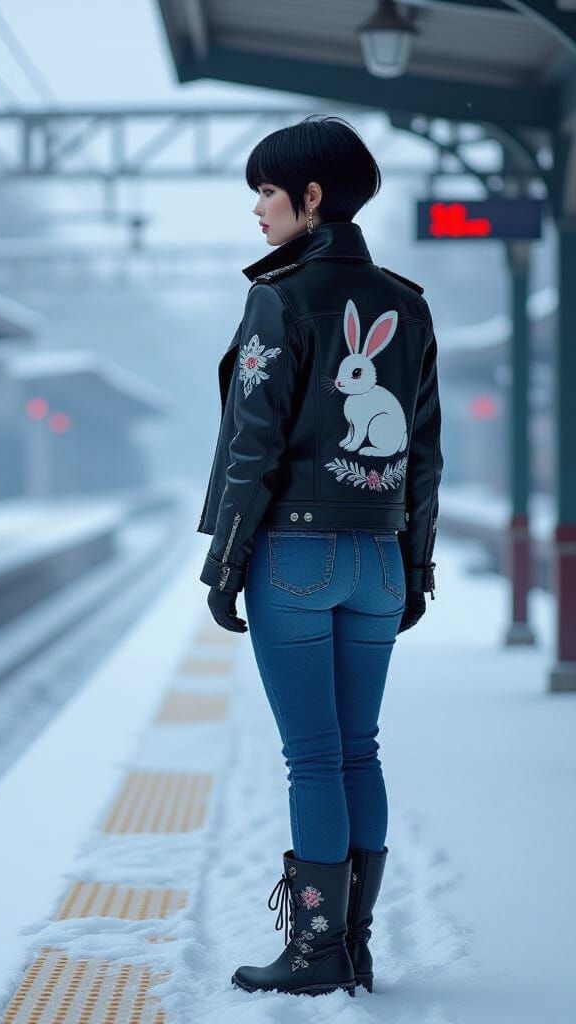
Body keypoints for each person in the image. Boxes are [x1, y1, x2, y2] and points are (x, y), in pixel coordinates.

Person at [197, 115, 444, 998]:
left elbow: (252, 445)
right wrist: (415, 567)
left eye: (267, 192)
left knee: (312, 757)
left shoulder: (281, 297)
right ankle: (356, 943)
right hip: (377, 558)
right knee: (357, 750)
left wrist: (225, 563)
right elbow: (424, 454)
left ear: (311, 197)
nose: (257, 210)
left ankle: (314, 952)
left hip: (294, 556)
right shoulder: (407, 306)